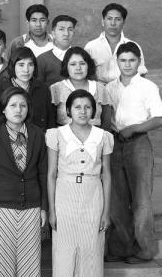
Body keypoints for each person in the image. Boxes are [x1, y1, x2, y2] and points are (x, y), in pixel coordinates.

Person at [103, 42, 162, 264]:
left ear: (139, 62)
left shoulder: (147, 86)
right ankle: (122, 247)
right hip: (114, 143)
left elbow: (160, 118)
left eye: (132, 60)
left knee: (141, 199)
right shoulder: (110, 87)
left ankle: (145, 249)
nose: (127, 64)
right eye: (123, 60)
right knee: (117, 199)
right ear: (117, 62)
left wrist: (133, 128)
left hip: (138, 143)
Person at [0, 87, 49, 277]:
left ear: (28, 109)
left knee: (29, 262)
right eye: (13, 105)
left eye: (23, 105)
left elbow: (43, 173)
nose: (18, 110)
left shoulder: (38, 134)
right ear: (3, 109)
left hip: (31, 206)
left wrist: (43, 207)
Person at [46, 89, 113, 277]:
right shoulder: (56, 134)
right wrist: (52, 210)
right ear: (68, 110)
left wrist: (106, 212)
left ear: (93, 111)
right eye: (77, 107)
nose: (82, 111)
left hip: (93, 198)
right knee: (64, 253)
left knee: (91, 250)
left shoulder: (103, 136)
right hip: (64, 198)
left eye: (87, 107)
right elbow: (51, 174)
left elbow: (106, 175)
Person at [0, 47, 56, 130]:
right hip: (8, 138)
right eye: (21, 65)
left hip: (39, 137)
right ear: (13, 66)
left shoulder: (42, 88)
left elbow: (50, 120)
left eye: (30, 65)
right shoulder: (1, 88)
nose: (26, 70)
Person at [84, 3, 148, 84]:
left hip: (125, 90)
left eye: (117, 19)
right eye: (109, 18)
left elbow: (141, 74)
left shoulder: (134, 46)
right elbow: (85, 75)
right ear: (103, 21)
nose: (113, 23)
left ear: (123, 22)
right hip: (98, 92)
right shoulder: (91, 47)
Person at [49, 47, 112, 127]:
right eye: (73, 64)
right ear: (66, 66)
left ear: (88, 66)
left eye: (82, 63)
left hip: (96, 137)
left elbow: (106, 123)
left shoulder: (100, 88)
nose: (78, 68)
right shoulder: (56, 89)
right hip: (63, 137)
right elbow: (50, 122)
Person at [37, 15, 78, 87]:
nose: (66, 34)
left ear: (74, 33)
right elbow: (37, 88)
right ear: (53, 33)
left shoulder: (82, 57)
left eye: (70, 30)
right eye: (61, 29)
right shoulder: (42, 60)